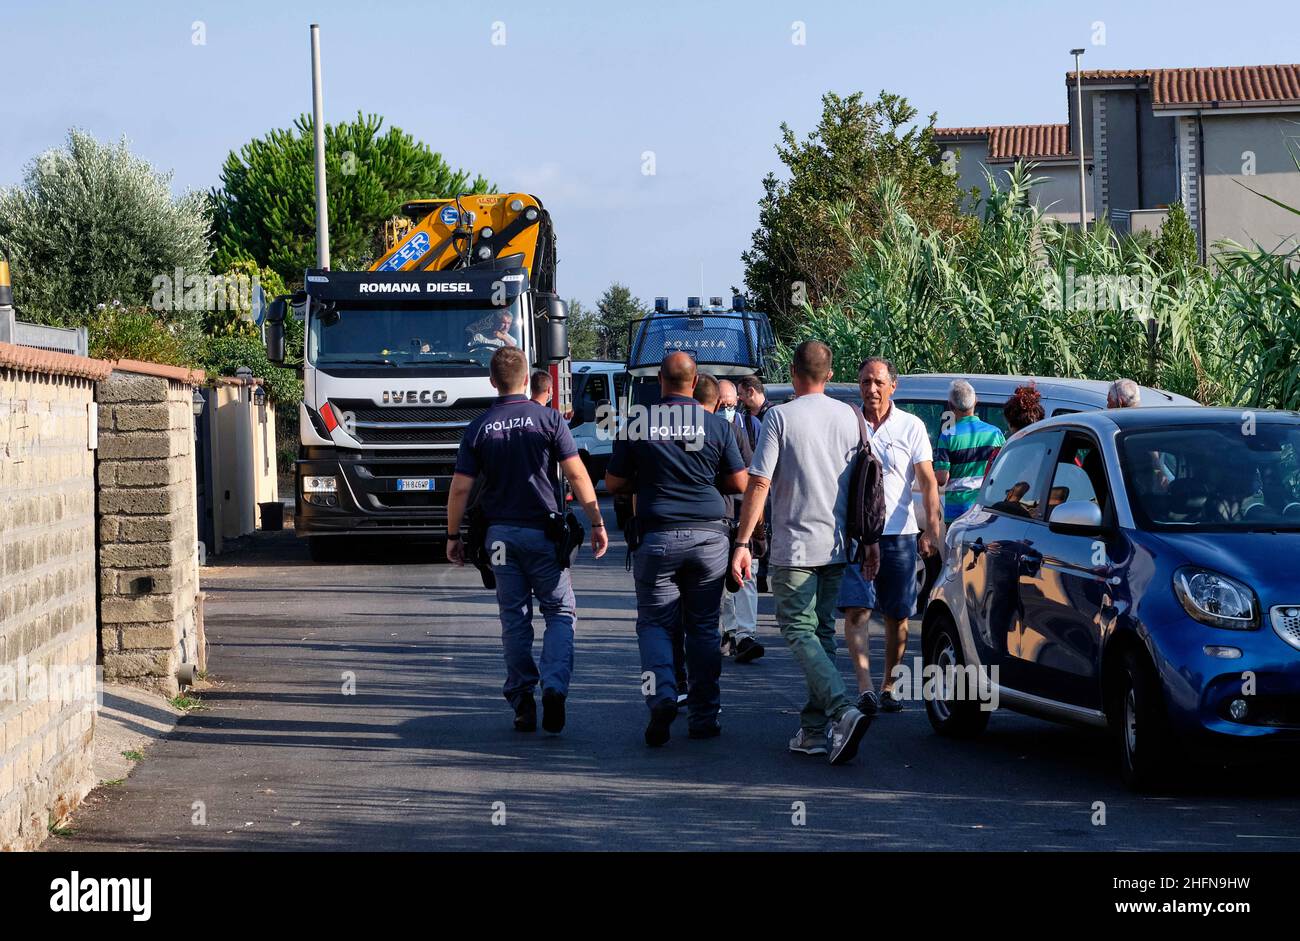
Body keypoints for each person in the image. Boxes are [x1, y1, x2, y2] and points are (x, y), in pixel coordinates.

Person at [445, 347, 608, 735]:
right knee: (559, 612)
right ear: (525, 381)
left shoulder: (480, 427)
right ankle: (554, 687)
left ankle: (522, 701)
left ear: (492, 381)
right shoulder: (549, 419)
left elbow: (459, 490)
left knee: (514, 618)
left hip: (499, 536)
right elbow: (579, 475)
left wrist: (453, 535)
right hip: (543, 533)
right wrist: (598, 521)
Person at [731, 341, 873, 765]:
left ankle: (841, 710)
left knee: (796, 629)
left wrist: (742, 543)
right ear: (829, 375)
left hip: (793, 546)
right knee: (821, 633)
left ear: (793, 372)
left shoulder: (779, 417)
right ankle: (813, 731)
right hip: (836, 544)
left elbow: (759, 483)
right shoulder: (852, 417)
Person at [606, 353, 747, 746]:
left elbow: (613, 482)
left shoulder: (636, 424)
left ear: (658, 380)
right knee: (702, 626)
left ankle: (663, 694)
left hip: (657, 537)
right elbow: (739, 482)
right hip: (709, 539)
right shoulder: (717, 425)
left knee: (654, 623)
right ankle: (704, 716)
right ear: (696, 380)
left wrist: (645, 477)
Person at [836, 357, 943, 716]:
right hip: (857, 535)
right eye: (866, 382)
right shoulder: (847, 424)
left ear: (893, 386)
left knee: (897, 616)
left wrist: (932, 526)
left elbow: (927, 481)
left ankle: (890, 685)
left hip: (899, 535)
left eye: (879, 382)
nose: (872, 389)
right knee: (857, 610)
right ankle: (865, 688)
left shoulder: (911, 426)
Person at [695, 376, 764, 664]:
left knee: (746, 577)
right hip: (716, 519)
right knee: (722, 583)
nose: (726, 408)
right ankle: (729, 631)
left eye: (731, 404)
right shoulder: (702, 431)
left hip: (740, 516)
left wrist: (758, 529)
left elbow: (754, 479)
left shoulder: (747, 427)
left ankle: (744, 635)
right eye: (721, 404)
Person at [934, 379, 1004, 526]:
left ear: (951, 406)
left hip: (957, 509)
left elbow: (941, 478)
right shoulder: (995, 433)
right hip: (986, 506)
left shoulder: (947, 435)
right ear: (976, 401)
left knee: (957, 548)